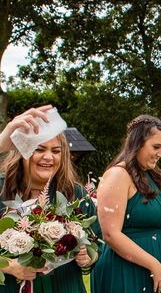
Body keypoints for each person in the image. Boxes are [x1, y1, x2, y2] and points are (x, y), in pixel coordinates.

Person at [91, 115, 161, 293]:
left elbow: (156, 232)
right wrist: (154, 264)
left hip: (157, 266)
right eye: (156, 147)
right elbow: (110, 234)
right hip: (125, 270)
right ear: (137, 143)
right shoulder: (118, 175)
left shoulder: (149, 176)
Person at [0, 105, 98, 293]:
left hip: (66, 286)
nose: (48, 157)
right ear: (23, 152)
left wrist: (89, 257)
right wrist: (8, 266)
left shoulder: (75, 194)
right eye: (40, 149)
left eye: (56, 151)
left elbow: (97, 239)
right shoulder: (2, 189)